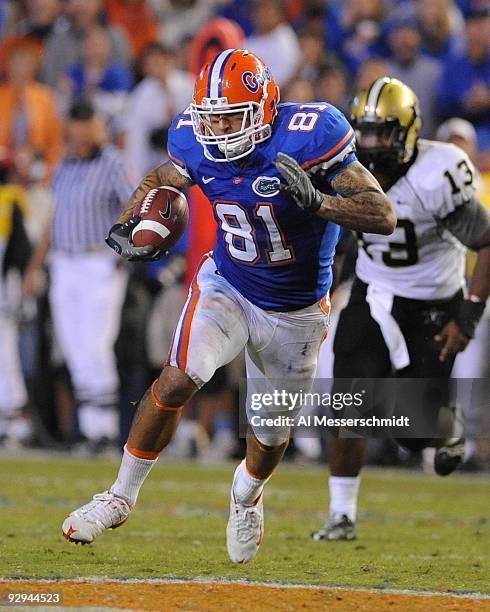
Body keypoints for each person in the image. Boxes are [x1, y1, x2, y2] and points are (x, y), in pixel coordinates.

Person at [61, 48, 395, 563]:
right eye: (210, 114)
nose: (217, 127)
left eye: (230, 115)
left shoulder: (312, 133)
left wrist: (320, 203)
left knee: (267, 436)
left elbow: (382, 213)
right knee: (177, 377)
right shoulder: (193, 137)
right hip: (229, 284)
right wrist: (133, 224)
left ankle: (247, 491)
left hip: (297, 310)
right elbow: (158, 181)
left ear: (263, 108)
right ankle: (119, 496)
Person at [311, 78, 490, 542]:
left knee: (413, 436)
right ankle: (342, 514)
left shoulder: (439, 172)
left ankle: (443, 422)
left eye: (381, 133)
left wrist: (468, 315)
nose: (370, 145)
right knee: (347, 402)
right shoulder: (347, 169)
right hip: (374, 295)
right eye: (364, 132)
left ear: (407, 132)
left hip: (434, 305)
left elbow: (487, 242)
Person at [23, 98, 132, 448]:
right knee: (72, 348)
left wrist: (123, 255)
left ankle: (104, 428)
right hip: (64, 263)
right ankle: (90, 428)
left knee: (96, 346)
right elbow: (55, 221)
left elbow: (135, 205)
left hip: (97, 262)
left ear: (98, 126)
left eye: (88, 122)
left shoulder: (113, 163)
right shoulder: (65, 166)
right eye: (77, 122)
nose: (82, 129)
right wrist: (34, 267)